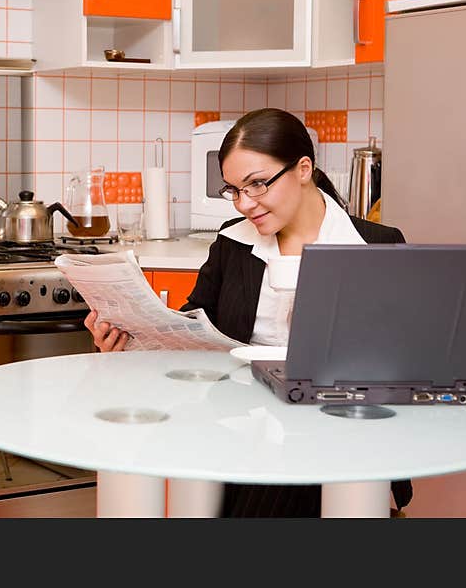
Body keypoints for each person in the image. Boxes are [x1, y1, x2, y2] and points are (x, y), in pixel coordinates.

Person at [84, 107, 413, 517]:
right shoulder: (232, 244)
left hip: (338, 433)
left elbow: (404, 367)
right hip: (240, 431)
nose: (244, 204)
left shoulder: (376, 246)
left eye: (257, 185)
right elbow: (190, 331)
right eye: (234, 190)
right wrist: (131, 338)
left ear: (303, 169)